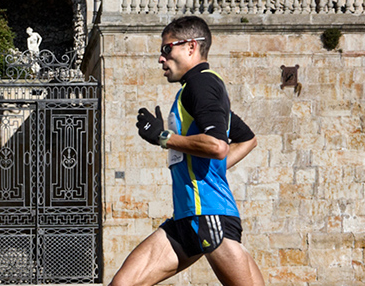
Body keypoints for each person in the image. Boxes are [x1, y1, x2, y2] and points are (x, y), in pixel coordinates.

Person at [109, 15, 264, 286]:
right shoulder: (192, 90)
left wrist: (163, 137)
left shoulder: (201, 84)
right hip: (186, 218)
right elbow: (247, 139)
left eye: (167, 49)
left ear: (191, 47)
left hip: (209, 214)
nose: (161, 58)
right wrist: (212, 170)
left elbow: (217, 145)